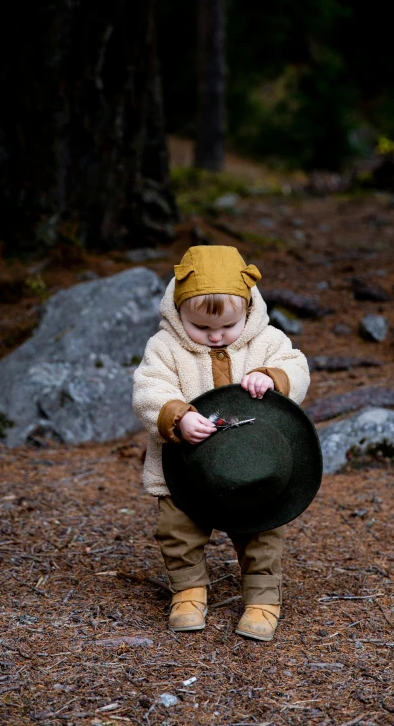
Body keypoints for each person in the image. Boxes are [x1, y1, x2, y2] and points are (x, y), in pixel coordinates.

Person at [132, 245, 310, 641]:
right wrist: (178, 415)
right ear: (178, 313)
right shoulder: (165, 347)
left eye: (227, 327)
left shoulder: (267, 341)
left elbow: (297, 368)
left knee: (262, 532)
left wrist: (273, 377)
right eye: (201, 328)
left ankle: (263, 598)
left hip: (254, 467)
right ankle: (189, 591)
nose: (215, 336)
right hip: (186, 468)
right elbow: (148, 389)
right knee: (178, 530)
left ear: (248, 309)